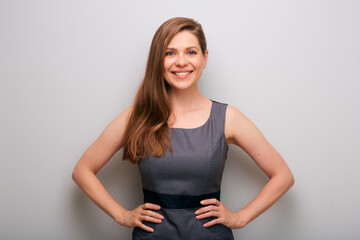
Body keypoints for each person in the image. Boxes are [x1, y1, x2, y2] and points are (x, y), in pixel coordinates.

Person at [72, 17, 294, 240]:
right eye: (170, 53)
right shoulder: (137, 117)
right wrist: (121, 215)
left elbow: (283, 175)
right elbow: (82, 170)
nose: (181, 61)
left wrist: (240, 217)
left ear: (205, 58)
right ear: (158, 60)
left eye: (191, 52)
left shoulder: (228, 118)